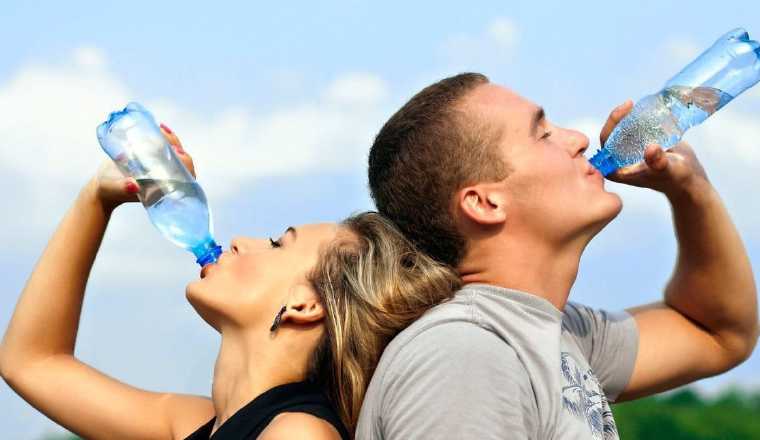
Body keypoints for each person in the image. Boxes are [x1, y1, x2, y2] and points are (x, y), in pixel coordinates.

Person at [357, 73, 759, 439]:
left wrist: (690, 189)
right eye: (543, 133)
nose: (579, 139)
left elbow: (719, 333)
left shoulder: (553, 333)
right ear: (484, 203)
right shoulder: (465, 355)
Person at [0, 127, 460, 439]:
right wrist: (97, 199)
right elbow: (31, 362)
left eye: (279, 244)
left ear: (305, 304)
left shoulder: (298, 433)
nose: (240, 241)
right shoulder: (199, 424)